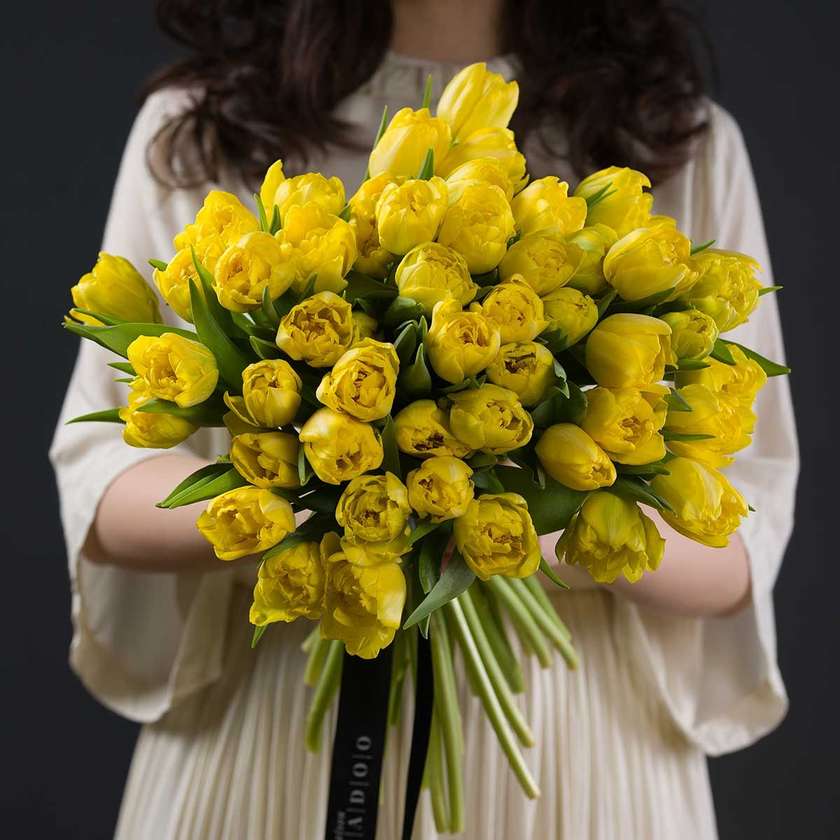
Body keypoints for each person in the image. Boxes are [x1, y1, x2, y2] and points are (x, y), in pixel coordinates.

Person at [49, 1, 799, 838]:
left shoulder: (679, 142)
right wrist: (327, 500)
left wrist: (488, 520)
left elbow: (739, 541)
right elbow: (99, 479)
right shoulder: (201, 129)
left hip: (576, 745)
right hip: (267, 728)